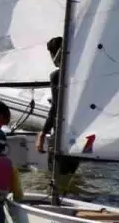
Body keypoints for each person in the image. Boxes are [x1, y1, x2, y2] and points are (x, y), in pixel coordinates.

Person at [36, 36, 82, 192]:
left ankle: (54, 206)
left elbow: (56, 107)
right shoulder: (81, 75)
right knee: (69, 178)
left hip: (62, 134)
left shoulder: (57, 76)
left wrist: (42, 133)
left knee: (55, 179)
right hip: (78, 135)